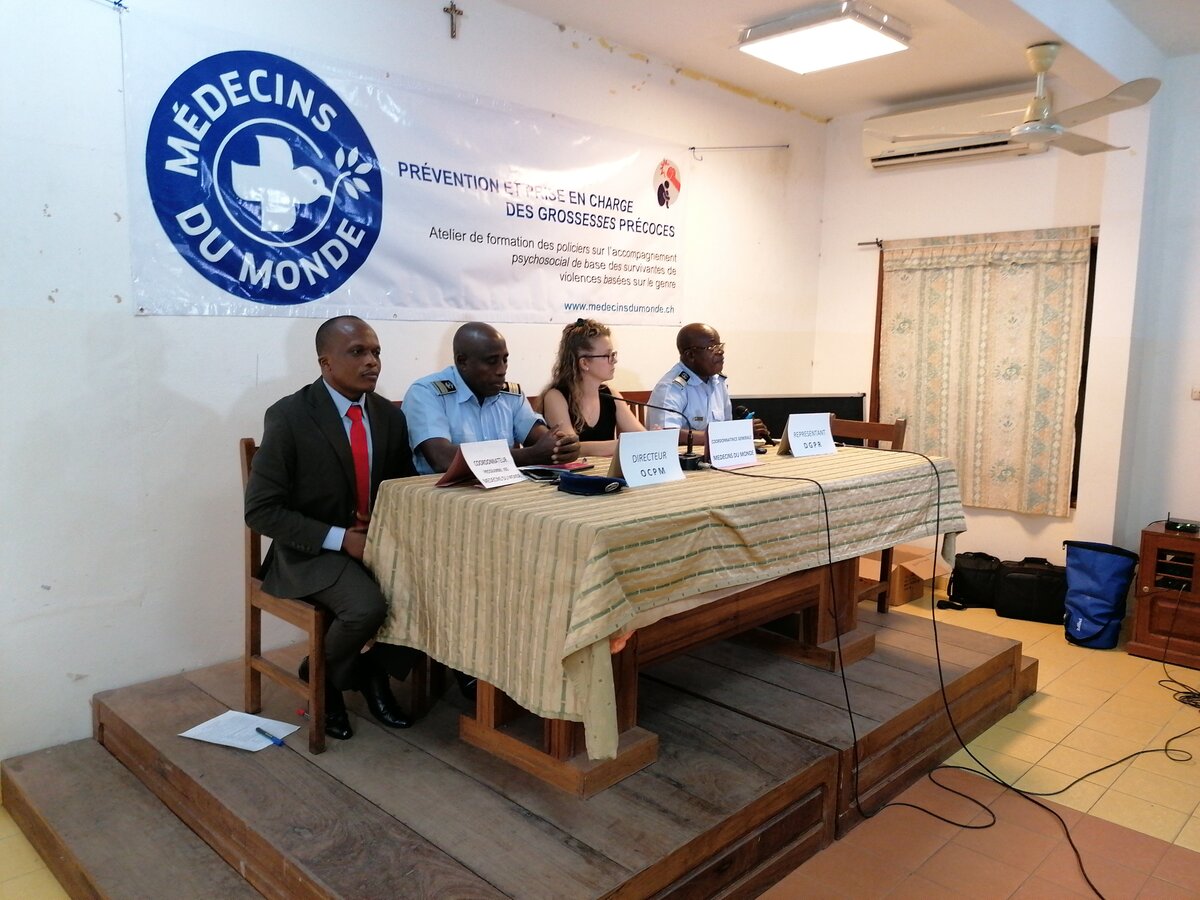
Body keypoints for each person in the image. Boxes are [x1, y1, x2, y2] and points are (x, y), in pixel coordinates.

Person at [244, 315, 419, 741]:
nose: (372, 361)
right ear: (325, 362)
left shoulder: (388, 416)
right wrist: (343, 540)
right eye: (357, 352)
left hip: (373, 544)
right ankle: (328, 683)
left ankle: (359, 672)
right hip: (310, 551)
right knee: (366, 607)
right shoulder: (289, 416)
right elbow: (261, 511)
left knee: (429, 586)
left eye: (375, 352)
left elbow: (402, 490)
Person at [404, 321, 581, 474]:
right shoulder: (427, 393)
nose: (501, 370)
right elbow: (443, 459)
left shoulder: (510, 395)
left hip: (504, 498)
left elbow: (543, 440)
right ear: (462, 361)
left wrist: (563, 445)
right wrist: (530, 455)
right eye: (491, 361)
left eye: (505, 360)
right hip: (443, 501)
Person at [646, 323, 769, 441]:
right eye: (712, 348)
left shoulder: (718, 382)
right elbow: (668, 434)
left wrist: (743, 433)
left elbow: (726, 428)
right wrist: (735, 434)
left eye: (720, 346)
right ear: (690, 355)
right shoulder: (671, 387)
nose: (720, 352)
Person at [541, 318, 645, 457]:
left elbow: (641, 437)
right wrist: (621, 445)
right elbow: (570, 447)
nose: (614, 360)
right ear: (584, 363)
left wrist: (653, 437)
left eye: (613, 354)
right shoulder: (556, 397)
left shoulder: (611, 395)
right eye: (607, 355)